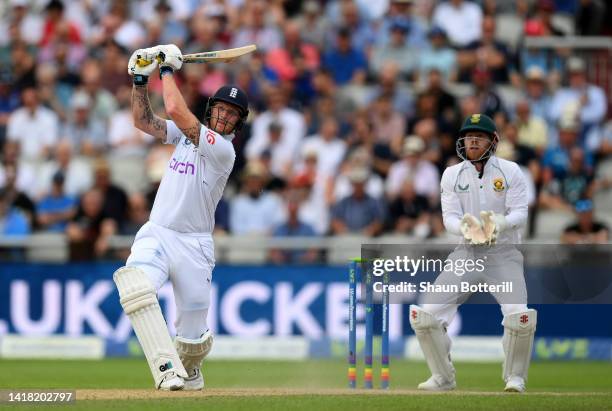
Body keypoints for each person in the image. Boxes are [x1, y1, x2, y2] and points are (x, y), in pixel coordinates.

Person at [114, 44, 249, 391]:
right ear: (210, 109)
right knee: (136, 288)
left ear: (238, 124)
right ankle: (165, 369)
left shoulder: (222, 150)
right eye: (221, 109)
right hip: (158, 233)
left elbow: (174, 107)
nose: (224, 117)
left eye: (232, 114)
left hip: (195, 246)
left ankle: (188, 369)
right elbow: (143, 121)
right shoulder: (185, 138)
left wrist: (168, 69)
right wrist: (140, 79)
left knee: (192, 341)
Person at [409, 114, 536, 393]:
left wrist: (498, 224)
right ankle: (443, 378)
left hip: (503, 253)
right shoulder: (451, 174)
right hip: (466, 254)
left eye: (479, 135)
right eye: (468, 136)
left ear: (494, 141)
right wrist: (466, 229)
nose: (473, 140)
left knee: (519, 316)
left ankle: (515, 377)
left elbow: (520, 213)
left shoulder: (511, 171)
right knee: (425, 316)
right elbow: (449, 218)